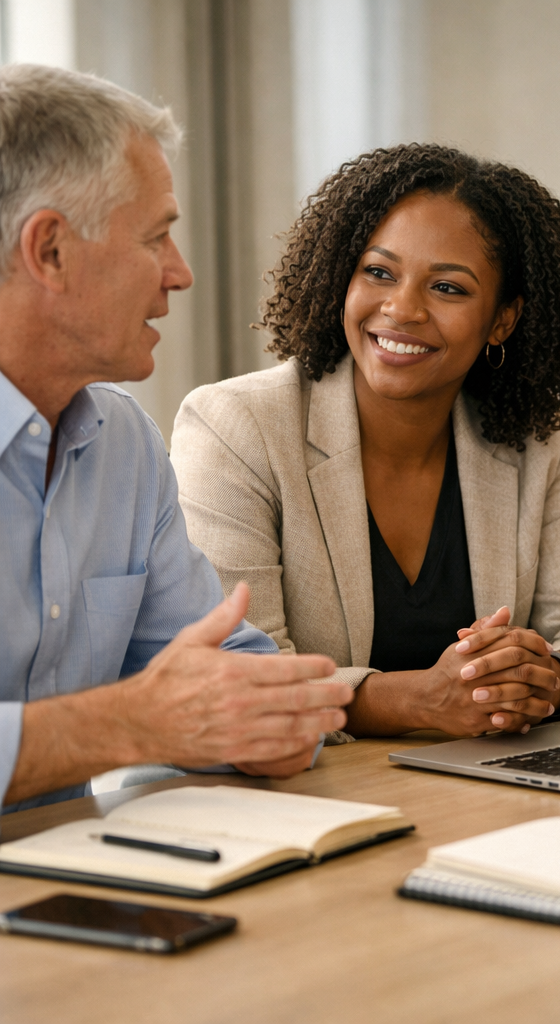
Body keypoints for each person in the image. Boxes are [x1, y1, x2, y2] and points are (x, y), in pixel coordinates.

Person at [170, 145, 560, 739]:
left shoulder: (529, 439)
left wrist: (552, 678)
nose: (401, 309)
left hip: (468, 789)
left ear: (502, 321)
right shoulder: (238, 426)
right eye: (379, 272)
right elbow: (238, 673)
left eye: (447, 288)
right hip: (291, 795)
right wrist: (417, 701)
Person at [0, 65, 352, 813]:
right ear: (50, 251)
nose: (181, 274)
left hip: (67, 883)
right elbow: (160, 712)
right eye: (156, 236)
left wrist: (274, 722)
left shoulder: (123, 442)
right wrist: (130, 722)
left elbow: (219, 674)